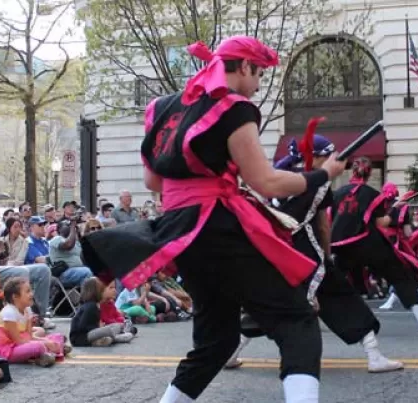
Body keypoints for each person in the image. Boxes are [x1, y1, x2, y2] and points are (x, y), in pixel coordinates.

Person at [81, 36, 346, 403]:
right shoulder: (234, 108)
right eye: (259, 74)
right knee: (296, 320)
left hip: (180, 232)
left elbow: (153, 181)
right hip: (215, 225)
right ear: (243, 66)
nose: (258, 85)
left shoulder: (162, 108)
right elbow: (265, 181)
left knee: (217, 340)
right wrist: (323, 174)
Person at [225, 132, 403, 374]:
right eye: (327, 155)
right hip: (305, 252)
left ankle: (231, 353)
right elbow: (322, 224)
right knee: (343, 298)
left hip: (273, 250)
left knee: (266, 304)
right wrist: (327, 256)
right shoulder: (317, 182)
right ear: (314, 157)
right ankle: (374, 355)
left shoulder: (276, 176)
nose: (332, 159)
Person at [331, 157, 418, 334]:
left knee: (333, 281)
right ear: (369, 173)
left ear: (351, 171)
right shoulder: (371, 194)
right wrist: (395, 210)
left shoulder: (338, 193)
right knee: (401, 276)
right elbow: (382, 222)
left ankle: (319, 317)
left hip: (341, 244)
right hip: (367, 242)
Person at [0, 278, 69, 366]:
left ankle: (46, 354)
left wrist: (46, 341)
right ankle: (52, 351)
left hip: (22, 343)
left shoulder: (27, 309)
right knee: (39, 347)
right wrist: (44, 343)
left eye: (31, 291)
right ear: (15, 296)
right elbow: (18, 341)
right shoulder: (9, 313)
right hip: (7, 349)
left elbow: (29, 336)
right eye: (28, 291)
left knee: (57, 336)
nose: (32, 294)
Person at [70, 277, 134, 347]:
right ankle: (116, 337)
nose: (102, 291)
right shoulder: (91, 306)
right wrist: (98, 326)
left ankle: (101, 341)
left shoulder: (97, 305)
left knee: (115, 327)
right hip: (80, 337)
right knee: (110, 329)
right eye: (101, 289)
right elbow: (82, 327)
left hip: (92, 334)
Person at [48, 221, 94, 289]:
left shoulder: (74, 241)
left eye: (70, 225)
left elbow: (85, 253)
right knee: (87, 272)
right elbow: (68, 245)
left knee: (98, 269)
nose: (69, 226)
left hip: (78, 272)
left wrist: (78, 232)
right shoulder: (56, 239)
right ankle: (88, 298)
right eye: (66, 225)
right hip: (64, 274)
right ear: (59, 229)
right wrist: (72, 227)